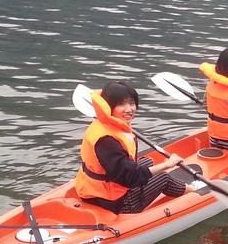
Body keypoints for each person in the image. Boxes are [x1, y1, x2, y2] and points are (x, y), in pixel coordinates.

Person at [75, 80, 187, 214]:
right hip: (113, 203)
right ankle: (196, 191)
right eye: (121, 104)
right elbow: (132, 177)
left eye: (132, 103)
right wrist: (168, 164)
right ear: (108, 107)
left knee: (147, 161)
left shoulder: (104, 124)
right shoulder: (106, 140)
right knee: (164, 177)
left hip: (94, 190)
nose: (129, 109)